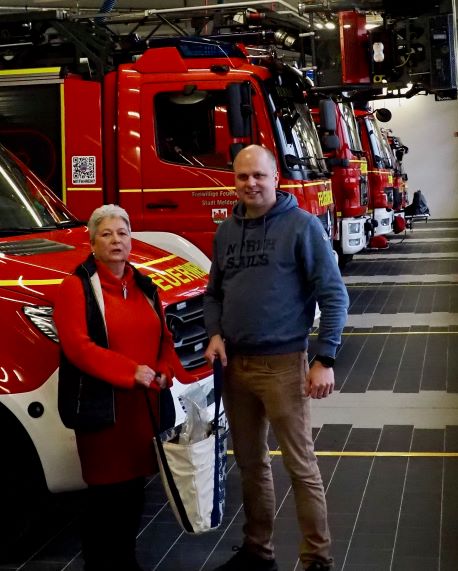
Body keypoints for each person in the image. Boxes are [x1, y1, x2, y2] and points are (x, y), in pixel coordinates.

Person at [204, 145, 349, 571]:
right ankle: (258, 551)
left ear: (275, 178)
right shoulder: (226, 232)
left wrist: (325, 358)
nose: (250, 183)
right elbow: (214, 293)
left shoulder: (301, 226)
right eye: (242, 176)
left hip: (284, 365)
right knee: (250, 465)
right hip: (236, 366)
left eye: (258, 175)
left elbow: (334, 295)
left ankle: (317, 558)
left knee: (301, 467)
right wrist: (214, 334)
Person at [54, 204, 186, 571]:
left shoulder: (145, 285)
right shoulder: (75, 287)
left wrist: (164, 370)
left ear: (131, 240)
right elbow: (78, 348)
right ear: (92, 242)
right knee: (104, 496)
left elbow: (164, 339)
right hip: (103, 412)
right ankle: (99, 564)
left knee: (133, 493)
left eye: (123, 233)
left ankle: (126, 561)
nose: (116, 240)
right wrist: (132, 372)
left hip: (142, 411)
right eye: (106, 234)